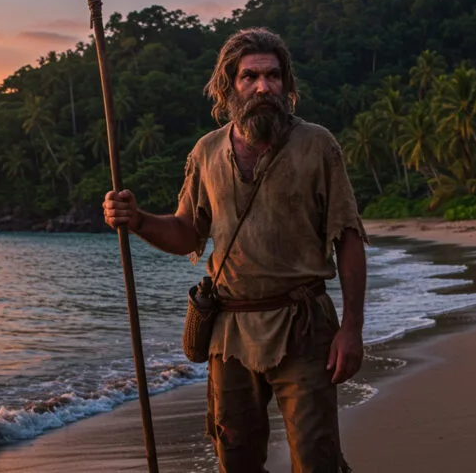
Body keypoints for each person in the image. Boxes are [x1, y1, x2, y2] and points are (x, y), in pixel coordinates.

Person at [103, 27, 366, 473]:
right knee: (235, 457)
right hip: (230, 332)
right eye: (250, 77)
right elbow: (187, 233)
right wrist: (139, 220)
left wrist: (352, 329)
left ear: (287, 84)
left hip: (302, 326)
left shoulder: (317, 145)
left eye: (273, 76)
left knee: (316, 457)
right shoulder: (207, 152)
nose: (263, 86)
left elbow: (349, 237)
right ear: (229, 86)